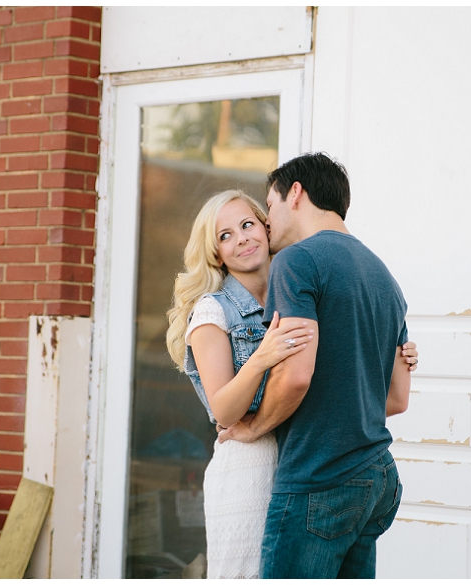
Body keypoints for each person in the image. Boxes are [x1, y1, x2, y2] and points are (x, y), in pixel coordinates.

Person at [165, 189, 418, 579]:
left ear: (266, 228)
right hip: (248, 469)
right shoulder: (213, 311)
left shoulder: (299, 293)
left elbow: (346, 390)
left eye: (248, 224)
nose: (243, 238)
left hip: (304, 463)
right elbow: (224, 410)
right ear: (216, 253)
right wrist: (262, 357)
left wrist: (394, 356)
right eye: (226, 235)